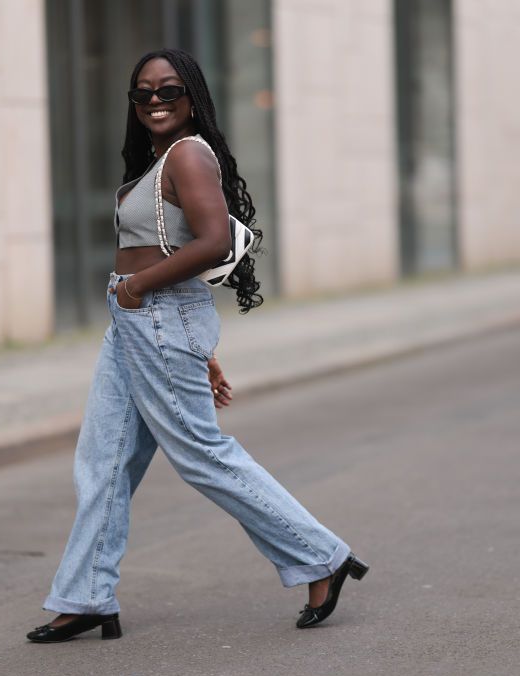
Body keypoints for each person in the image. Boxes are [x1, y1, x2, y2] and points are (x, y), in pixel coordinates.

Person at [27, 48, 368, 644]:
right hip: (141, 320)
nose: (155, 101)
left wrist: (138, 289)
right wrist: (189, 343)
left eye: (168, 91)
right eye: (143, 94)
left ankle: (322, 557)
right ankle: (85, 596)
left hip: (149, 310)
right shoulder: (160, 159)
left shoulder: (187, 154)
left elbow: (212, 242)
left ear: (191, 98)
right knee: (103, 461)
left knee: (202, 455)